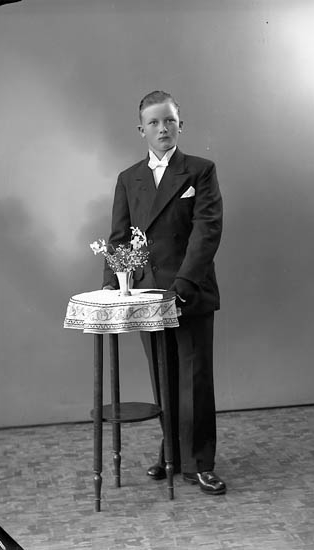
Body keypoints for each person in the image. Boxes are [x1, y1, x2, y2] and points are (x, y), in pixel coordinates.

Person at [103, 90, 225, 495]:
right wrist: (113, 286)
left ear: (180, 125)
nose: (162, 129)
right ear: (141, 130)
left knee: (195, 379)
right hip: (146, 295)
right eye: (153, 122)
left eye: (169, 120)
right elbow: (119, 237)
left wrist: (182, 285)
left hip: (189, 290)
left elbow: (207, 232)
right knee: (163, 376)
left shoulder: (200, 170)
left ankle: (199, 463)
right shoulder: (128, 178)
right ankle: (171, 453)